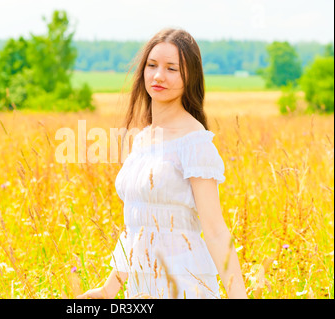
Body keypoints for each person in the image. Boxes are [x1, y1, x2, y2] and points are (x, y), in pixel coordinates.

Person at [77, 28, 247, 299]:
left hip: (184, 284)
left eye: (172, 69)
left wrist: (239, 297)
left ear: (189, 76)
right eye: (152, 65)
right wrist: (109, 289)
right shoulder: (142, 138)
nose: (158, 76)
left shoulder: (195, 142)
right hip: (142, 288)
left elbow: (215, 230)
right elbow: (138, 226)